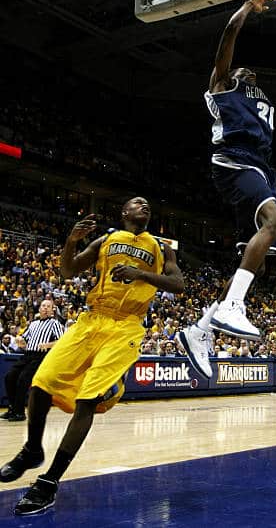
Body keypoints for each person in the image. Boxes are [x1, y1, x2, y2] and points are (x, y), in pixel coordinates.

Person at [0, 197, 184, 515]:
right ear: (124, 212)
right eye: (137, 203)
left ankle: (48, 482)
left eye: (147, 205)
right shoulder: (106, 239)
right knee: (41, 383)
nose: (145, 206)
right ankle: (32, 449)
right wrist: (71, 242)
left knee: (87, 400)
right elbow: (68, 269)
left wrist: (140, 275)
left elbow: (177, 283)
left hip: (125, 326)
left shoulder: (160, 247)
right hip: (91, 319)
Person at [176, 0, 276, 379]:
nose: (248, 72)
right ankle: (230, 308)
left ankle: (200, 330)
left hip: (260, 168)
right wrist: (246, 9)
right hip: (235, 160)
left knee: (257, 258)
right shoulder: (224, 86)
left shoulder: (262, 100)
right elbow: (227, 36)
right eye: (241, 70)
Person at [0, 299, 64, 422]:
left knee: (23, 379)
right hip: (27, 354)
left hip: (40, 356)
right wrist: (20, 340)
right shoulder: (33, 324)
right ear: (39, 309)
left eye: (48, 306)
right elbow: (24, 339)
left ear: (52, 310)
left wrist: (48, 344)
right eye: (43, 306)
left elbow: (62, 341)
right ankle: (12, 408)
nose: (45, 308)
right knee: (9, 377)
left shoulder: (54, 323)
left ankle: (19, 412)